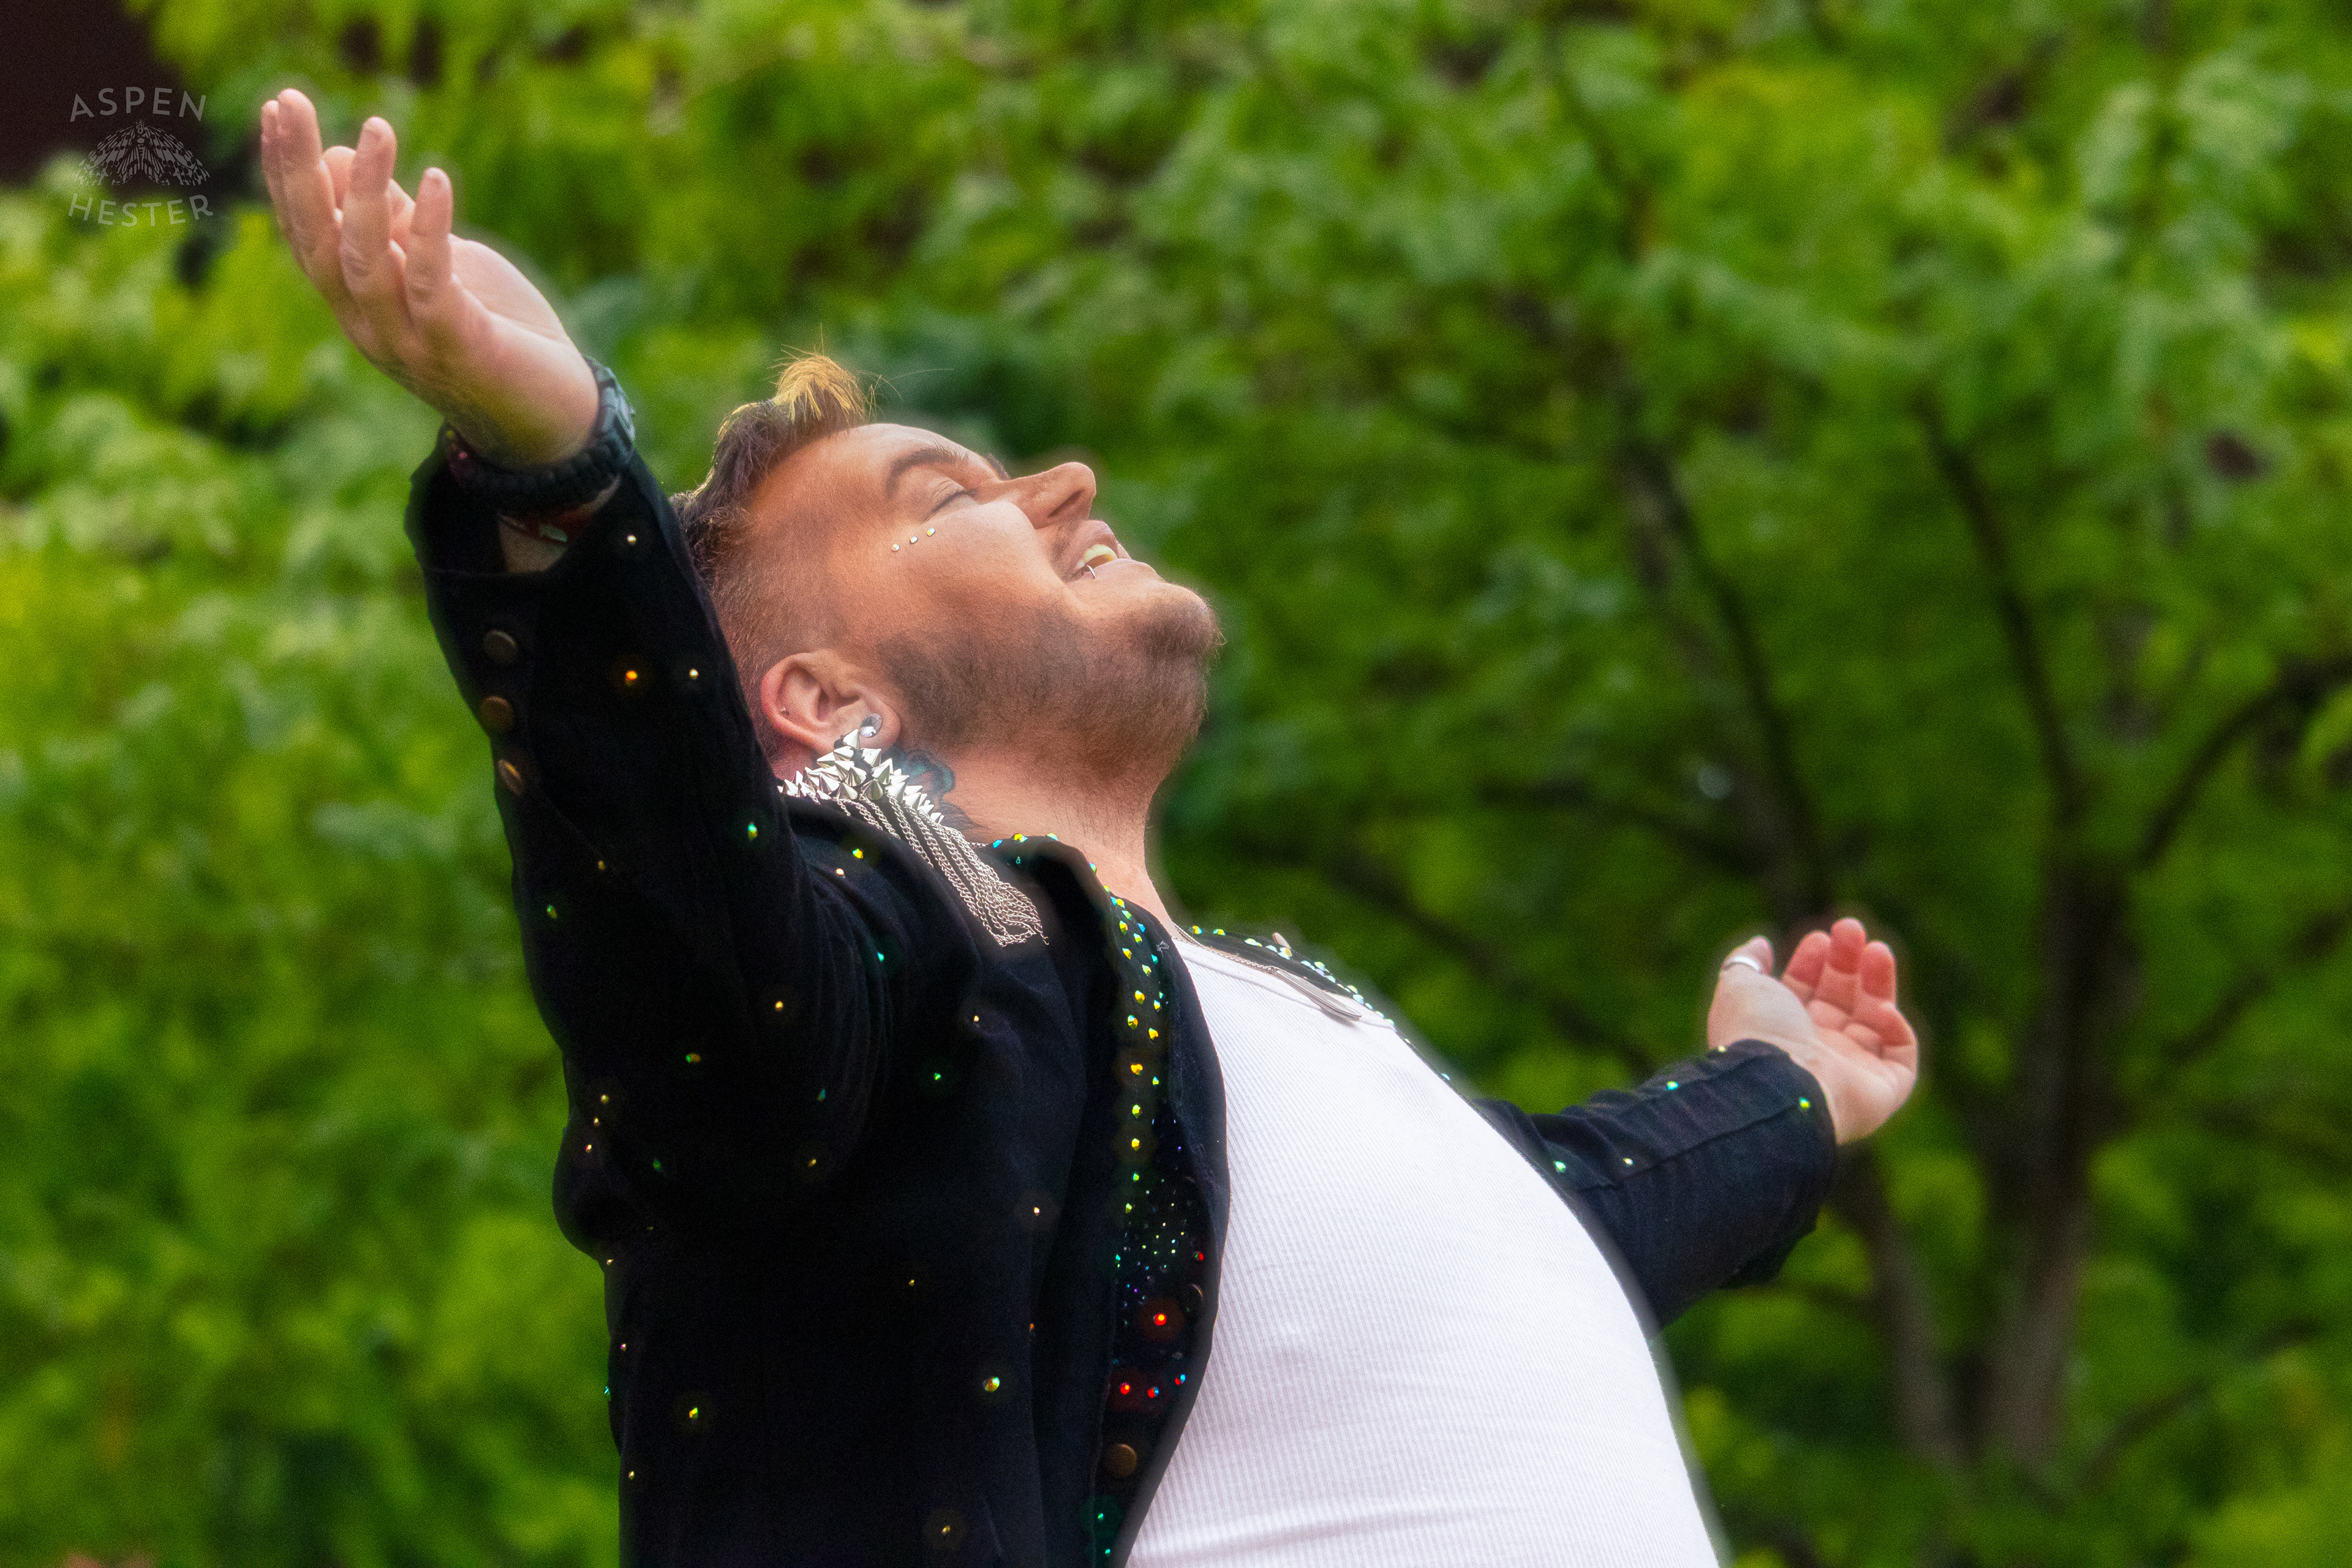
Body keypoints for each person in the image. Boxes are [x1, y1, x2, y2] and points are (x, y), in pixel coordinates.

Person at [256, 87, 1921, 1568]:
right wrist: (567, 483)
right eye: (949, 497)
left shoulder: (1242, 1029)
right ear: (828, 707)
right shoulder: (889, 974)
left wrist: (1786, 1092)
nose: (1063, 479)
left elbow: (1564, 1204)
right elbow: (698, 954)